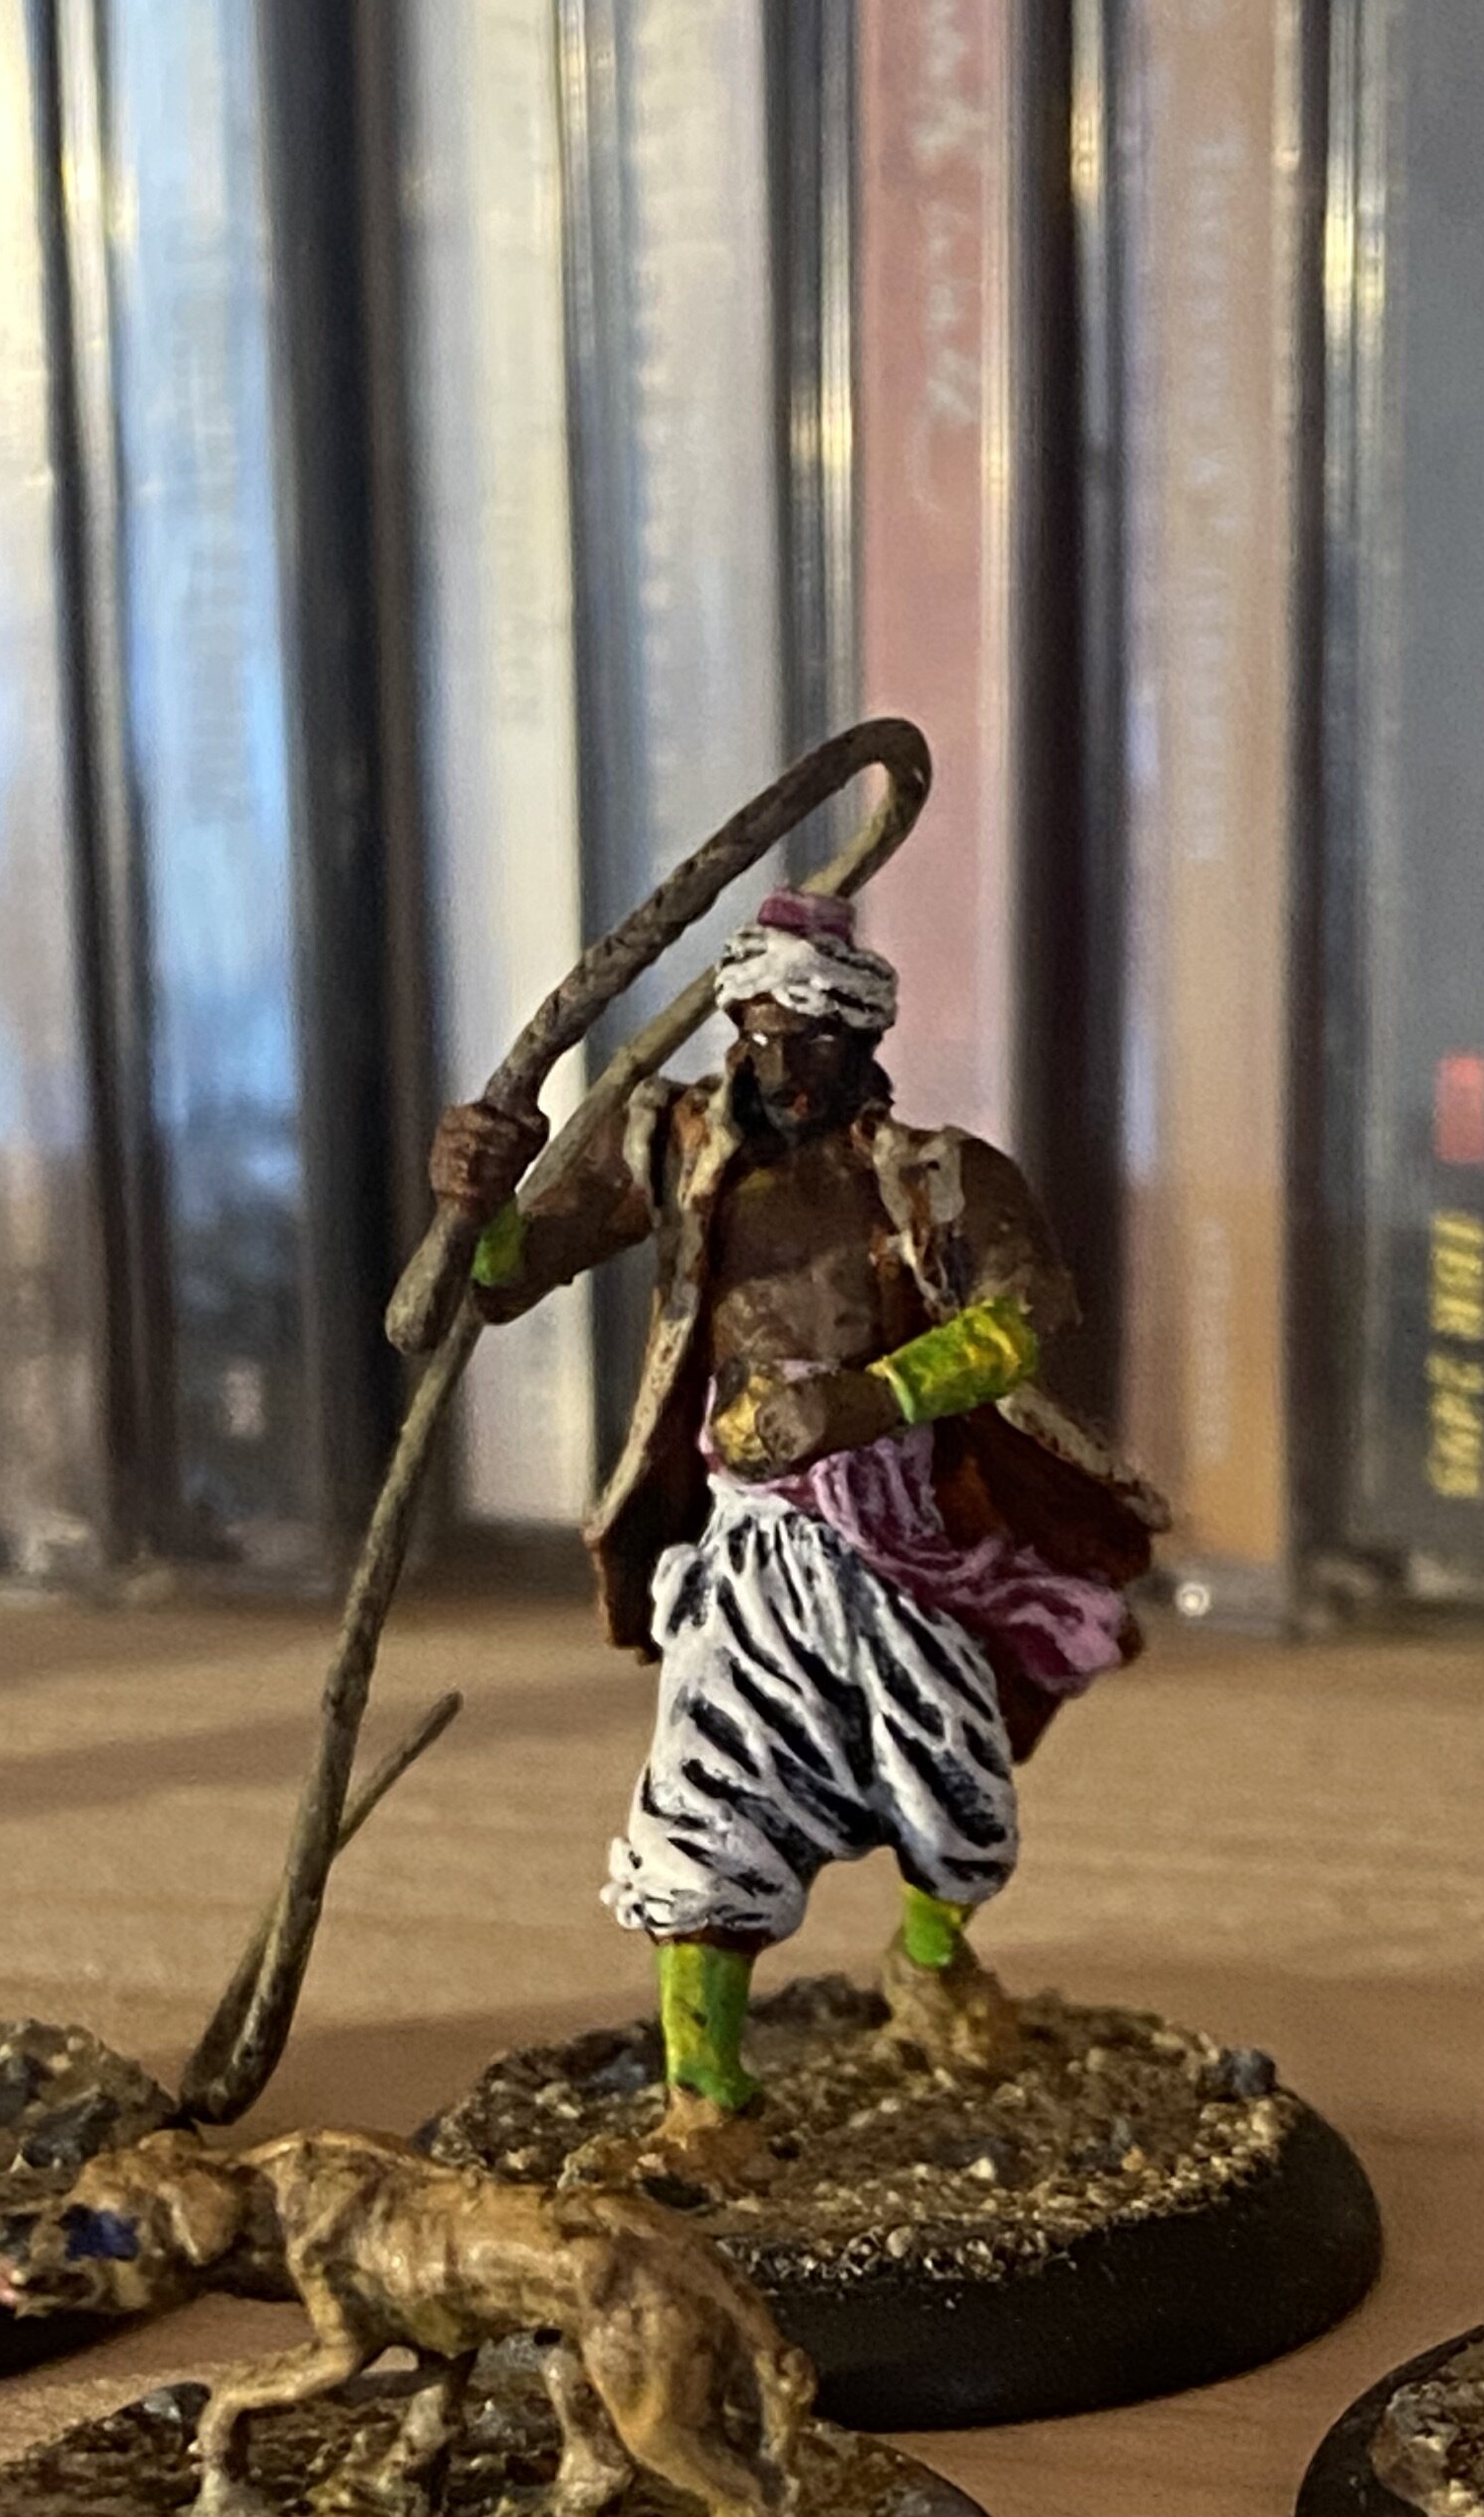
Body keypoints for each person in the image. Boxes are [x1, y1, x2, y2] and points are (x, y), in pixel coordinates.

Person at [429, 888, 1166, 2181]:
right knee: (707, 1805)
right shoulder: (671, 1145)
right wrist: (474, 1199)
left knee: (953, 1783)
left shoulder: (935, 1175)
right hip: (752, 1550)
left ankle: (930, 1962)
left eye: (820, 1039)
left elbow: (1021, 1321)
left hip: (901, 1535)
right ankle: (705, 2099)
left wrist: (866, 1401)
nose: (789, 1066)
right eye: (767, 1035)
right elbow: (501, 1277)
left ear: (867, 1039)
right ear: (734, 1025)